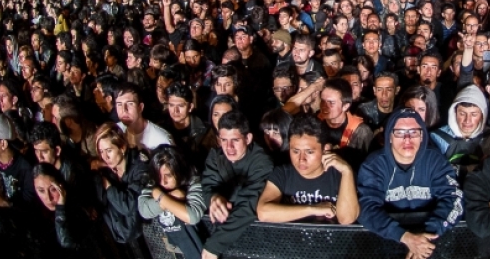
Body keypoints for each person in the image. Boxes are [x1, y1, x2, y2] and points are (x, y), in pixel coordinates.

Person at [357, 108, 463, 259]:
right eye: (400, 132)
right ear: (390, 137)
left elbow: (454, 199)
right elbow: (366, 208)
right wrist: (405, 237)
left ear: (422, 136)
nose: (407, 138)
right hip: (386, 242)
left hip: (430, 243)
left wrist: (425, 238)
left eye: (414, 132)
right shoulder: (374, 165)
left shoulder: (435, 161)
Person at [257, 113, 359, 224]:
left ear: (325, 149)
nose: (301, 159)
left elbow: (347, 219)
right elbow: (264, 213)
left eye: (309, 152)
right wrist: (313, 209)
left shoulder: (339, 174)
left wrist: (347, 171)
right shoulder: (283, 173)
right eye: (295, 151)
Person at [201, 110, 273, 259]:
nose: (229, 147)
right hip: (225, 236)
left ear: (248, 138)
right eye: (224, 140)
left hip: (254, 241)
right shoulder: (215, 156)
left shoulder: (261, 162)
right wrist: (214, 198)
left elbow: (249, 204)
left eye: (235, 140)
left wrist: (214, 245)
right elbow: (208, 185)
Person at [92, 122, 151, 251]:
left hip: (147, 238)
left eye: (109, 150)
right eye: (101, 152)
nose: (105, 157)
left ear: (122, 147)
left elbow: (128, 205)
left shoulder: (140, 167)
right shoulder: (106, 172)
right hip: (120, 239)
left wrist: (108, 186)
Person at [139, 146, 206, 259]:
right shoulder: (154, 184)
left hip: (202, 250)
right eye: (159, 176)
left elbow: (192, 216)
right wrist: (168, 196)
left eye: (168, 176)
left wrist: (160, 197)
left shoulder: (194, 183)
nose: (163, 181)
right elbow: (144, 210)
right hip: (179, 251)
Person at [429, 85, 488, 182]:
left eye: (474, 114)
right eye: (462, 113)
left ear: (482, 115)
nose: (467, 120)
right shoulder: (437, 138)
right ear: (454, 112)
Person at [114, 82, 174, 151]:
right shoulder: (115, 131)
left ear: (140, 107)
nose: (124, 110)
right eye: (119, 104)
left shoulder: (162, 140)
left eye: (130, 104)